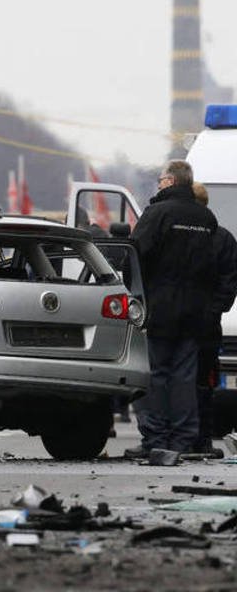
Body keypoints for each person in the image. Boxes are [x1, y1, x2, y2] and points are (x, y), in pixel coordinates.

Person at [126, 160, 217, 457]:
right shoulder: (206, 218)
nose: (159, 183)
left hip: (161, 308)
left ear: (169, 182)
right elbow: (211, 264)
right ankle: (183, 439)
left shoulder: (157, 213)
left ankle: (157, 439)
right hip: (195, 312)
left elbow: (136, 254)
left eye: (161, 179)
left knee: (156, 374)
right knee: (185, 377)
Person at [192, 183, 237, 456]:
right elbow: (229, 283)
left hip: (183, 319)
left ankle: (183, 435)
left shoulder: (188, 236)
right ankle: (202, 437)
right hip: (209, 323)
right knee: (204, 380)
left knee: (178, 377)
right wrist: (215, 310)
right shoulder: (223, 238)